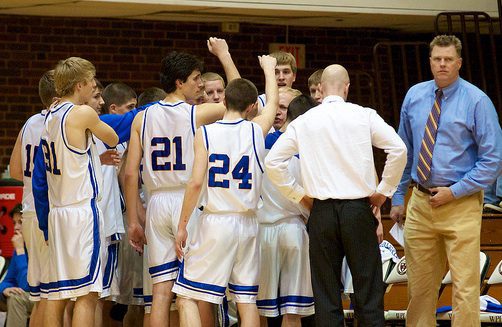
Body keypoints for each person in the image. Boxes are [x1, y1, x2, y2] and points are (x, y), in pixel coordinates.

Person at [265, 64, 407, 326]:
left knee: (326, 295)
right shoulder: (364, 115)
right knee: (368, 290)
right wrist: (383, 192)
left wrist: (298, 196)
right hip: (358, 209)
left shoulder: (305, 121)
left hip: (321, 212)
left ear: (320, 88)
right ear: (347, 87)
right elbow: (398, 149)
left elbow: (273, 162)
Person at [124, 37, 239, 327]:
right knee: (198, 291)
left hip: (156, 203)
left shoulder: (142, 118)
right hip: (187, 203)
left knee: (160, 294)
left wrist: (134, 219)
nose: (200, 85)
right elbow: (240, 98)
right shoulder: (197, 113)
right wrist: (225, 56)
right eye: (196, 79)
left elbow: (129, 173)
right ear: (179, 82)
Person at [390, 34, 502, 326]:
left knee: (465, 287)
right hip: (420, 202)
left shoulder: (477, 101)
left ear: (459, 63)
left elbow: (493, 160)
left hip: (461, 203)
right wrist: (399, 196)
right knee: (420, 288)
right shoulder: (414, 96)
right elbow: (405, 151)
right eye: (437, 59)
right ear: (429, 62)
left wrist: (455, 192)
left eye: (448, 59)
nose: (442, 64)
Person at [172, 54, 278, 327]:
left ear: (223, 101)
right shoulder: (256, 131)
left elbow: (195, 183)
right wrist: (268, 69)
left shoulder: (205, 133)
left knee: (187, 297)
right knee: (246, 300)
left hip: (216, 222)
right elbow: (273, 104)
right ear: (252, 105)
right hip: (248, 223)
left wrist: (183, 225)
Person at [32, 56, 119, 327]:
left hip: (58, 213)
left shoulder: (48, 116)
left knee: (56, 294)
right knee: (88, 294)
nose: (95, 86)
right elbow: (113, 138)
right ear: (80, 84)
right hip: (81, 212)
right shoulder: (82, 113)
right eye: (92, 81)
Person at [256, 94, 317, 325]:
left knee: (264, 312)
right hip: (294, 228)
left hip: (263, 232)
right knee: (292, 312)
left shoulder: (261, 141)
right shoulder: (308, 151)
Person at [8, 69, 57, 327]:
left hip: (28, 210)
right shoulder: (59, 122)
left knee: (40, 296)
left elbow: (15, 170)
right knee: (52, 295)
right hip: (49, 210)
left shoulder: (29, 123)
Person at [0, 204, 33, 327]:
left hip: (41, 298)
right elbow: (8, 280)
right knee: (11, 295)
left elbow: (26, 286)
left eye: (20, 222)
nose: (16, 228)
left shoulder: (38, 247)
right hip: (24, 295)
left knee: (16, 298)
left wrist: (19, 251)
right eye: (14, 223)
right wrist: (4, 290)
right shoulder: (21, 246)